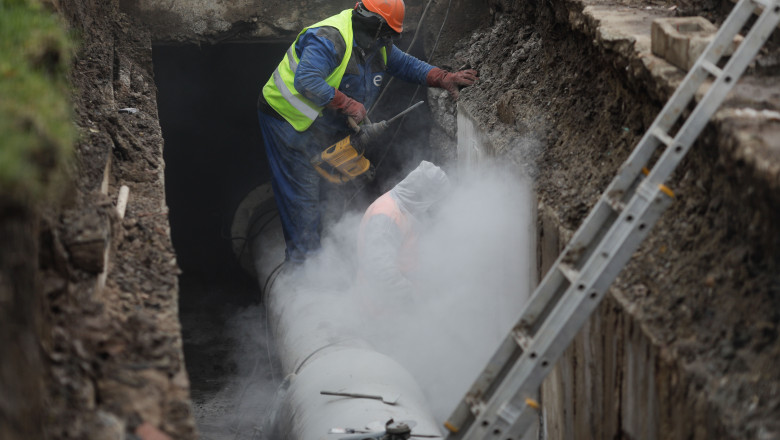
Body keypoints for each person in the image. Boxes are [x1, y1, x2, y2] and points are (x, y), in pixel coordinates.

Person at [257, 0, 478, 263]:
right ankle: (304, 271)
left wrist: (443, 77)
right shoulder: (330, 38)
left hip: (321, 122)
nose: (387, 42)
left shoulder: (377, 44)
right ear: (373, 24)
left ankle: (327, 257)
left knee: (329, 195)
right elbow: (307, 80)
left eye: (389, 37)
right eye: (385, 34)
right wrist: (347, 104)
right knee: (302, 200)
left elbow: (405, 64)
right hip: (287, 122)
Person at [356, 160, 450, 297]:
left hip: (397, 303)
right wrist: (414, 297)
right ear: (423, 195)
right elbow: (382, 272)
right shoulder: (387, 217)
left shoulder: (403, 208)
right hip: (383, 309)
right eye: (434, 200)